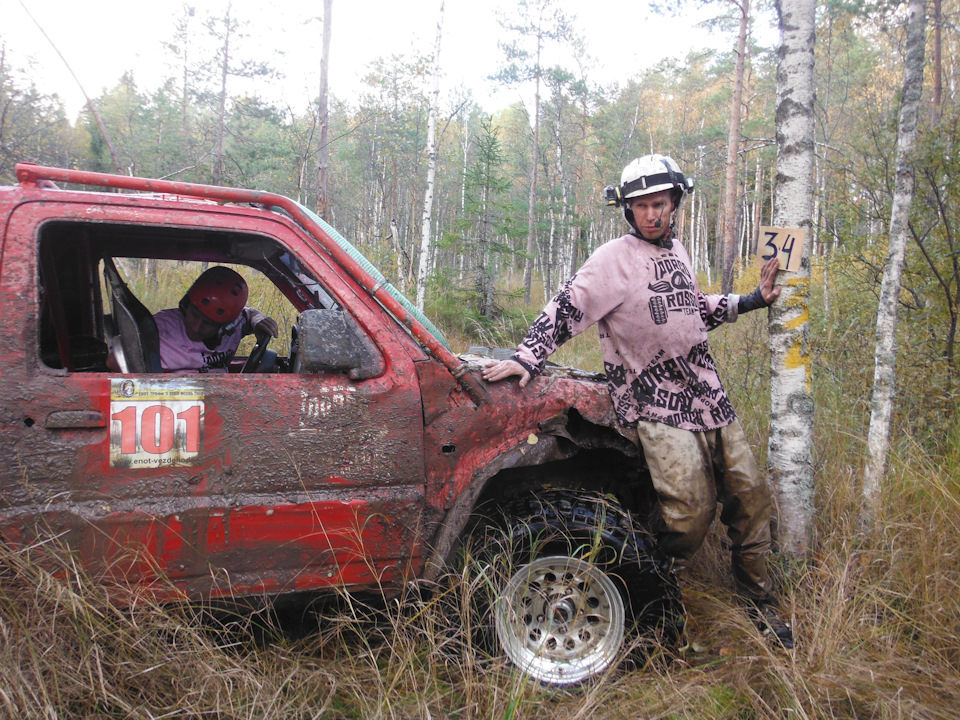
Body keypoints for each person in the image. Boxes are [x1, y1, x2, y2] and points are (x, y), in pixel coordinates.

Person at [481, 154, 794, 649]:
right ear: (628, 210)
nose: (652, 214)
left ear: (675, 204)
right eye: (642, 206)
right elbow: (568, 306)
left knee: (751, 496)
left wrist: (752, 300)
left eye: (660, 204)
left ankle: (760, 603)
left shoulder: (679, 252)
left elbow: (691, 310)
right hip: (654, 402)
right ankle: (646, 584)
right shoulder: (613, 259)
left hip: (708, 395)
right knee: (690, 514)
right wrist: (526, 357)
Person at [153, 266, 279, 373]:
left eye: (209, 323)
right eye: (194, 314)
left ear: (226, 326)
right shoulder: (158, 329)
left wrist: (258, 319)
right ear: (186, 304)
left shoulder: (233, 326)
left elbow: (249, 314)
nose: (196, 327)